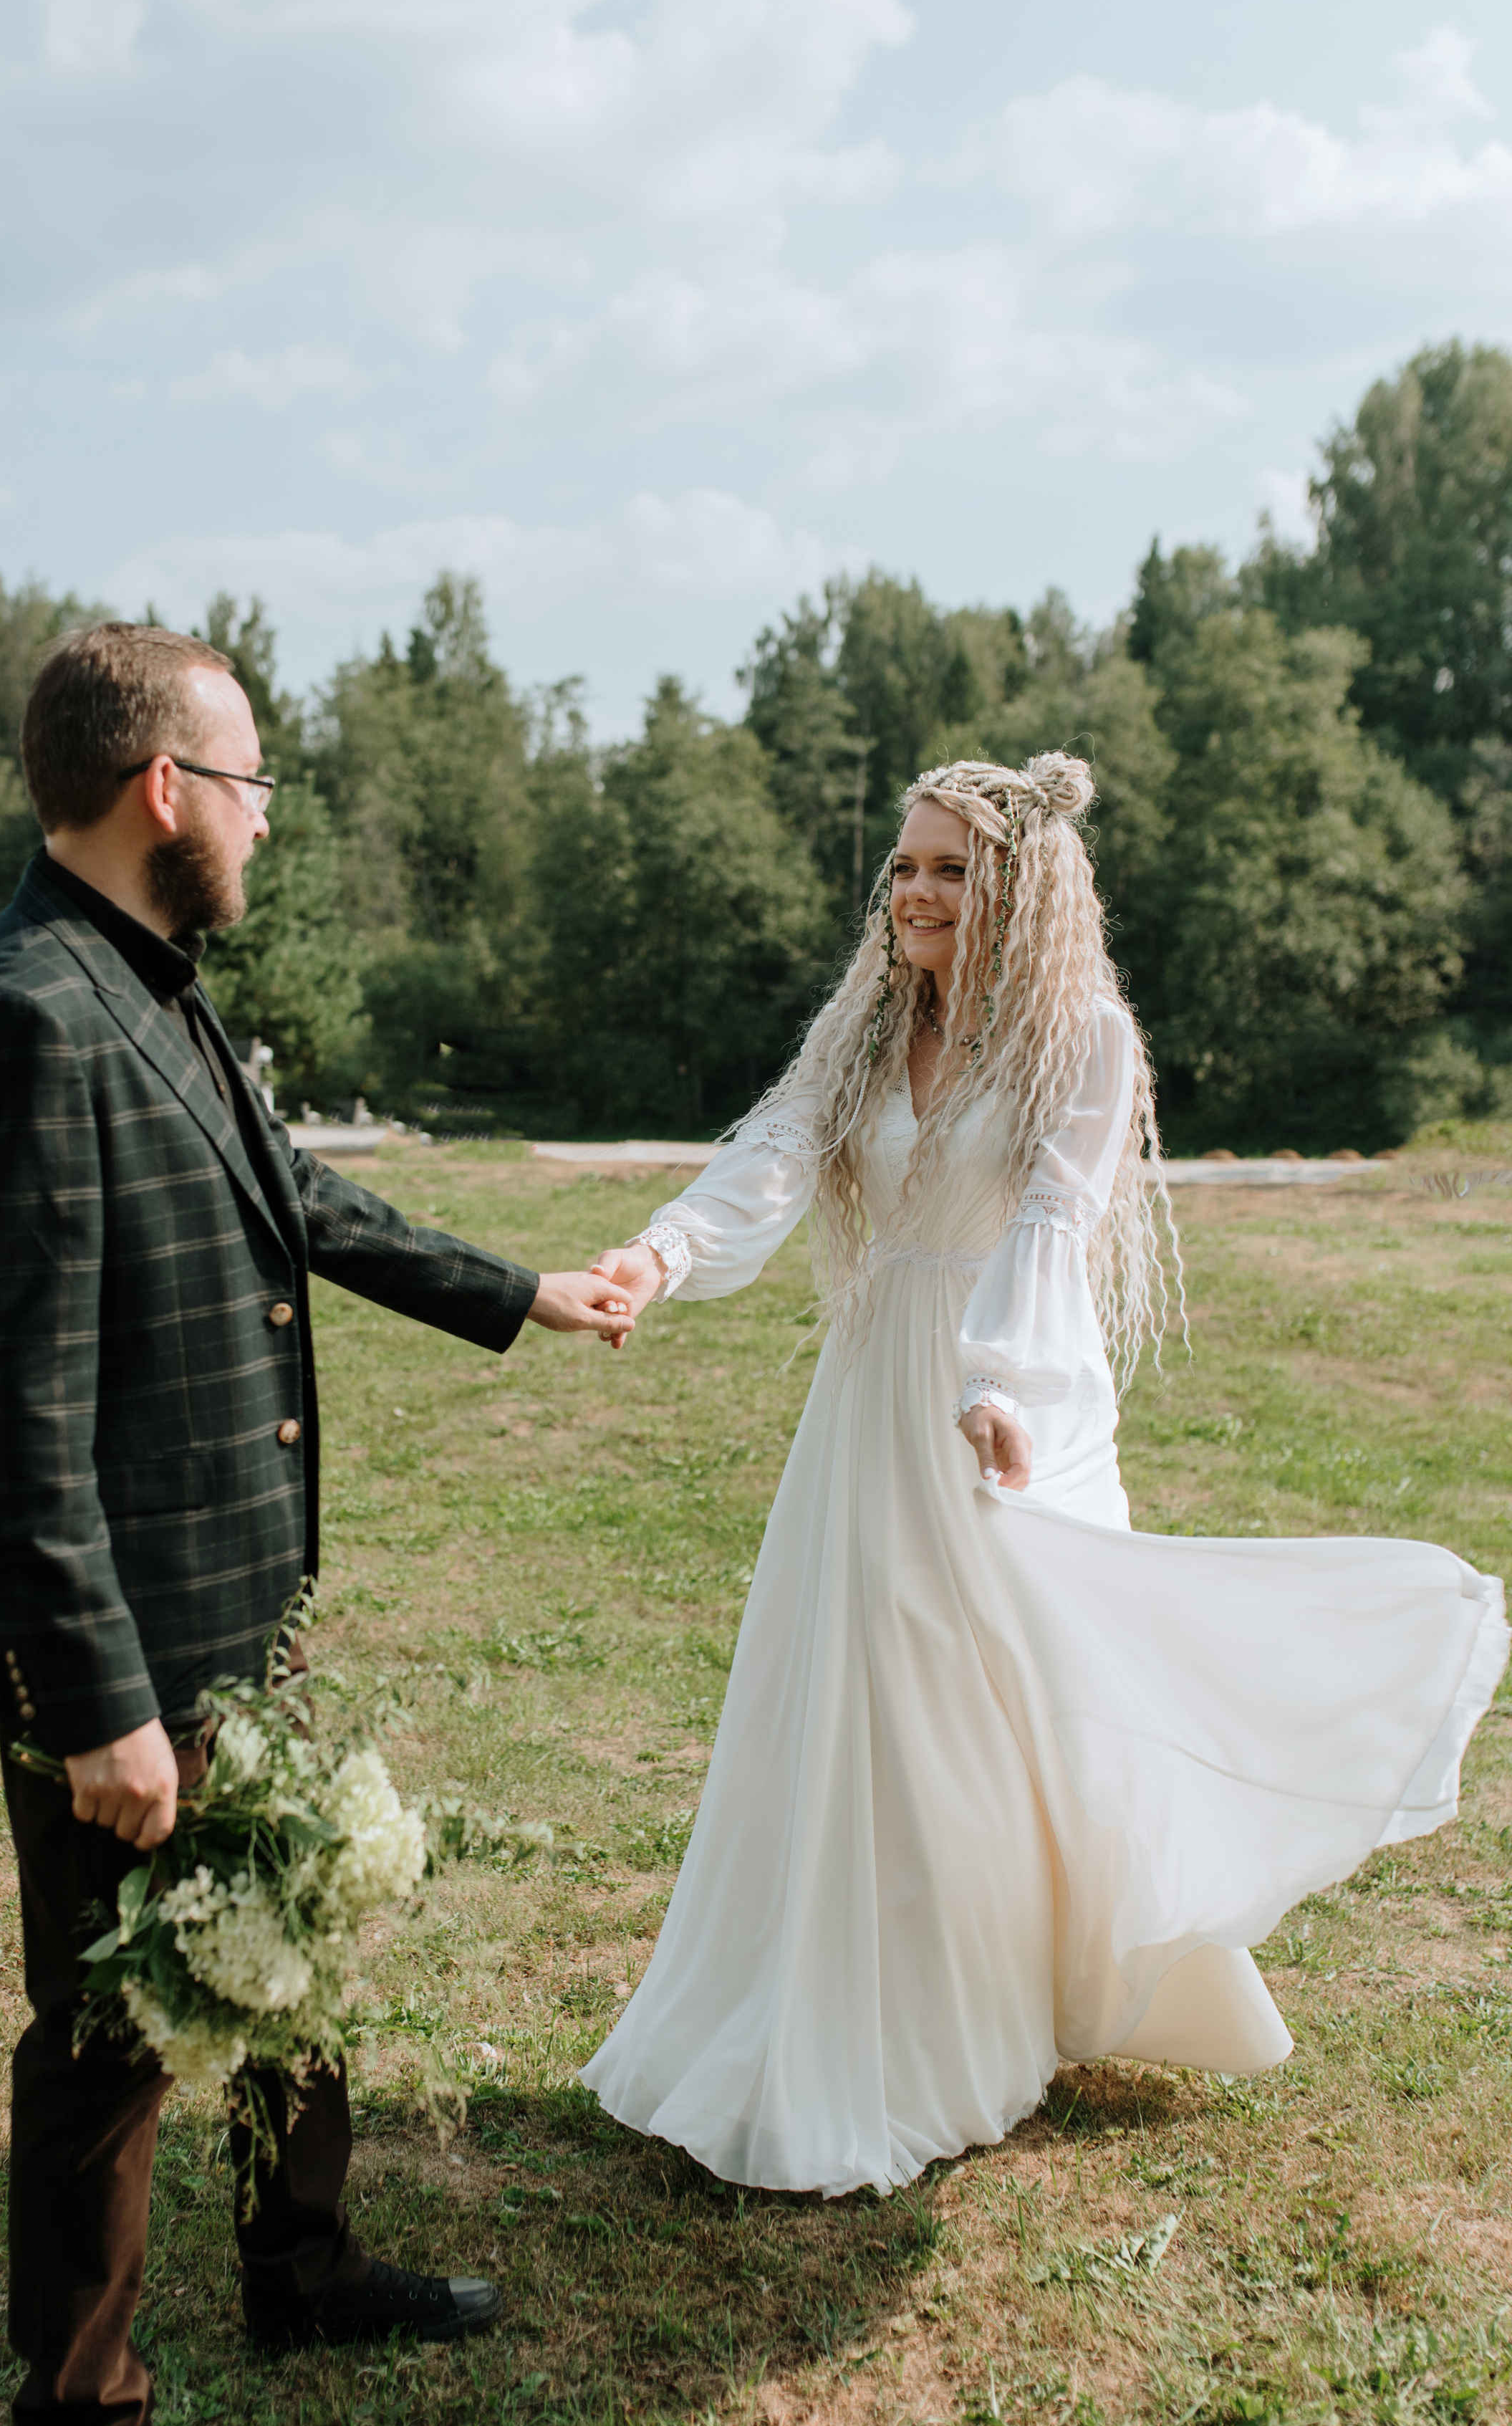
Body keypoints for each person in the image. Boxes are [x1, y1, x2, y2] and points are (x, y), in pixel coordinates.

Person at [0, 622, 635, 2426]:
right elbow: (9, 1416)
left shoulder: (156, 984)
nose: (261, 823)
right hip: (121, 1644)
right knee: (108, 2031)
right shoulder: (25, 1019)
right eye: (249, 785)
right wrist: (99, 1706)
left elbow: (288, 1195)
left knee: (295, 1925)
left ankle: (300, 2269)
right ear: (164, 790)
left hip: (235, 1592)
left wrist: (516, 1289)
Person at [579, 752, 1508, 2199]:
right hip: (865, 1404)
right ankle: (829, 2013)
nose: (912, 892)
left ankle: (978, 2011)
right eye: (902, 867)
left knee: (994, 1716)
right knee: (854, 1703)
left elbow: (1051, 1231)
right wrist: (660, 1252)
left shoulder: (1080, 1040)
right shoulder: (872, 1031)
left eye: (948, 868)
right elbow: (773, 1153)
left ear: (1016, 888)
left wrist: (998, 1386)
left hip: (991, 1411)